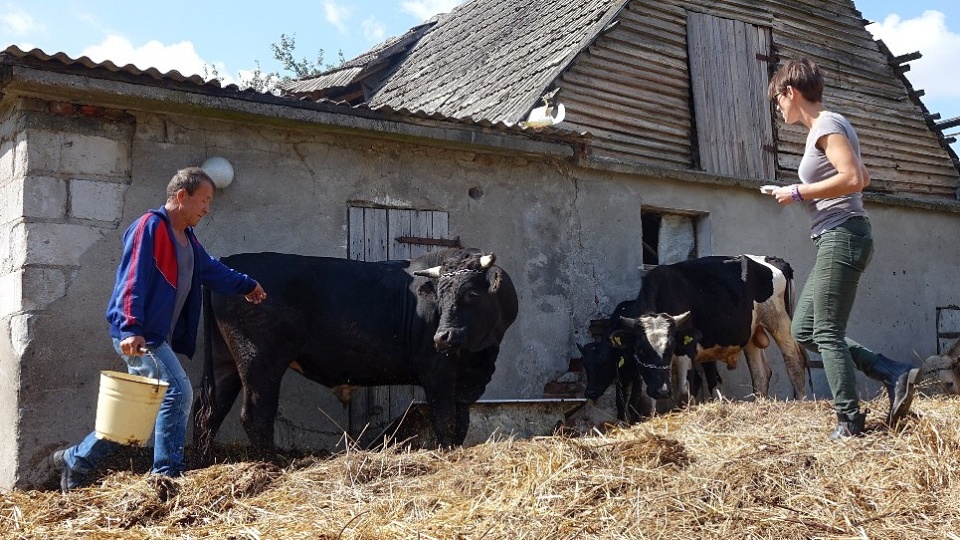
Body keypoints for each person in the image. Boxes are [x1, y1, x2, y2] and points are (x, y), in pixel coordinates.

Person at [51, 167, 267, 492]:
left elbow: (211, 270)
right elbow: (131, 280)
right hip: (141, 335)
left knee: (132, 415)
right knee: (178, 391)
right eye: (204, 200)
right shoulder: (149, 228)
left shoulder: (188, 239)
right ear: (182, 196)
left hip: (150, 335)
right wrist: (129, 328)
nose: (207, 208)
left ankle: (77, 459)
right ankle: (166, 475)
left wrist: (246, 285)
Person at [765, 58, 919, 440]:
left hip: (842, 234)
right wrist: (794, 190)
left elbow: (853, 180)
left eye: (777, 100)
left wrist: (796, 191)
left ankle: (849, 422)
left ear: (790, 92)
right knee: (804, 331)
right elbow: (862, 175)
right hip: (839, 235)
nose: (778, 108)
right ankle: (890, 371)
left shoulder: (827, 125)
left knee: (828, 331)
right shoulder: (830, 125)